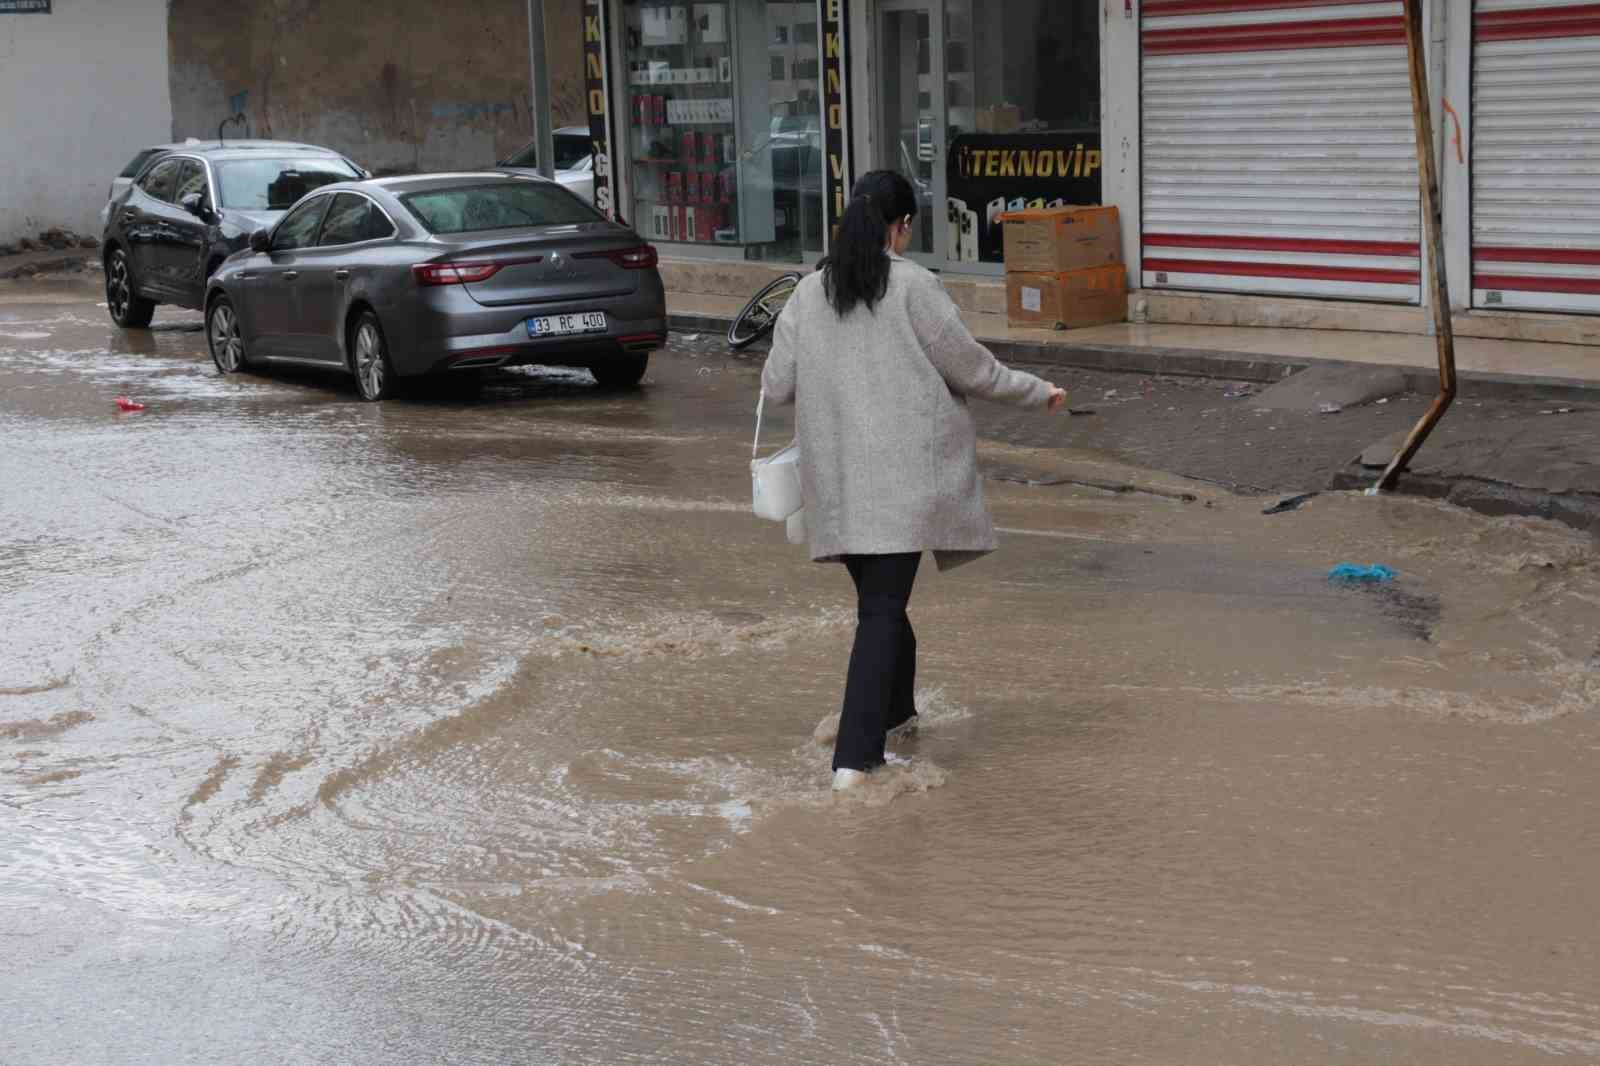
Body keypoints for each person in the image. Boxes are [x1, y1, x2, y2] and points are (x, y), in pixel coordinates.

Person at [760, 170, 1068, 792]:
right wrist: (1043, 394)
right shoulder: (913, 286)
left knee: (881, 604)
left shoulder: (809, 292)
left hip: (839, 486)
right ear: (901, 228)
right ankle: (854, 761)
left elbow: (776, 386)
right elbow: (976, 370)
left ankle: (897, 715)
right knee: (881, 611)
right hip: (905, 485)